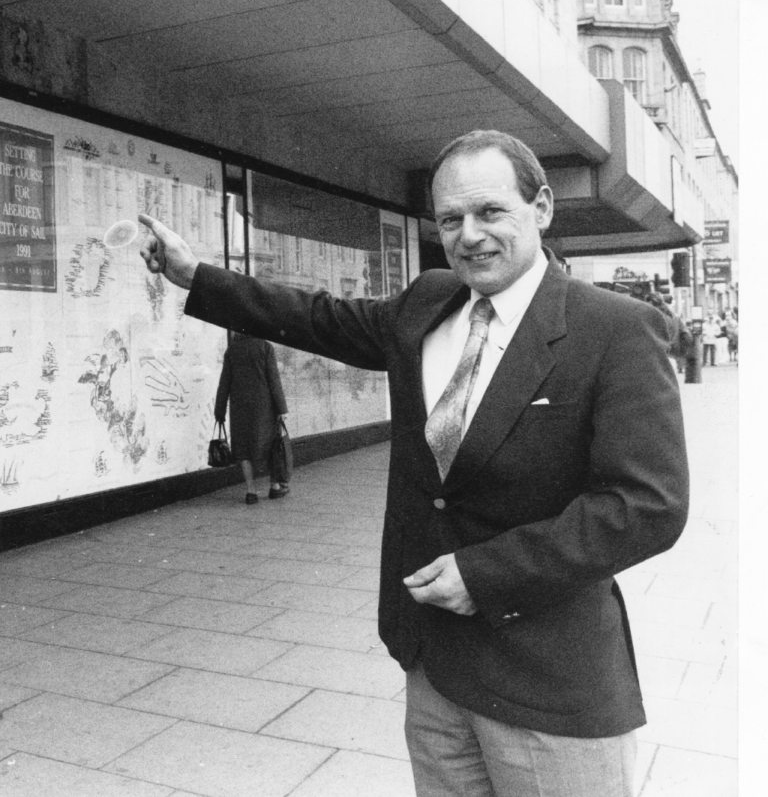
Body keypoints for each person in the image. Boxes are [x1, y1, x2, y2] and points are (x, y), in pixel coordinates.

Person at [139, 129, 688, 796]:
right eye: (451, 219)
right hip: (435, 669)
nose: (470, 235)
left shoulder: (616, 330)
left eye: (491, 212)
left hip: (549, 683)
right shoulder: (428, 303)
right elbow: (317, 316)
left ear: (541, 207)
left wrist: (485, 575)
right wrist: (197, 277)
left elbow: (647, 507)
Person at [215, 330, 291, 504]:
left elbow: (224, 382)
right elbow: (274, 380)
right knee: (272, 445)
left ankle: (251, 491)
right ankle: (275, 487)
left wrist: (219, 411)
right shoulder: (265, 347)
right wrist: (282, 409)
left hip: (240, 408)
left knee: (243, 448)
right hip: (265, 408)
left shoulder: (232, 351)